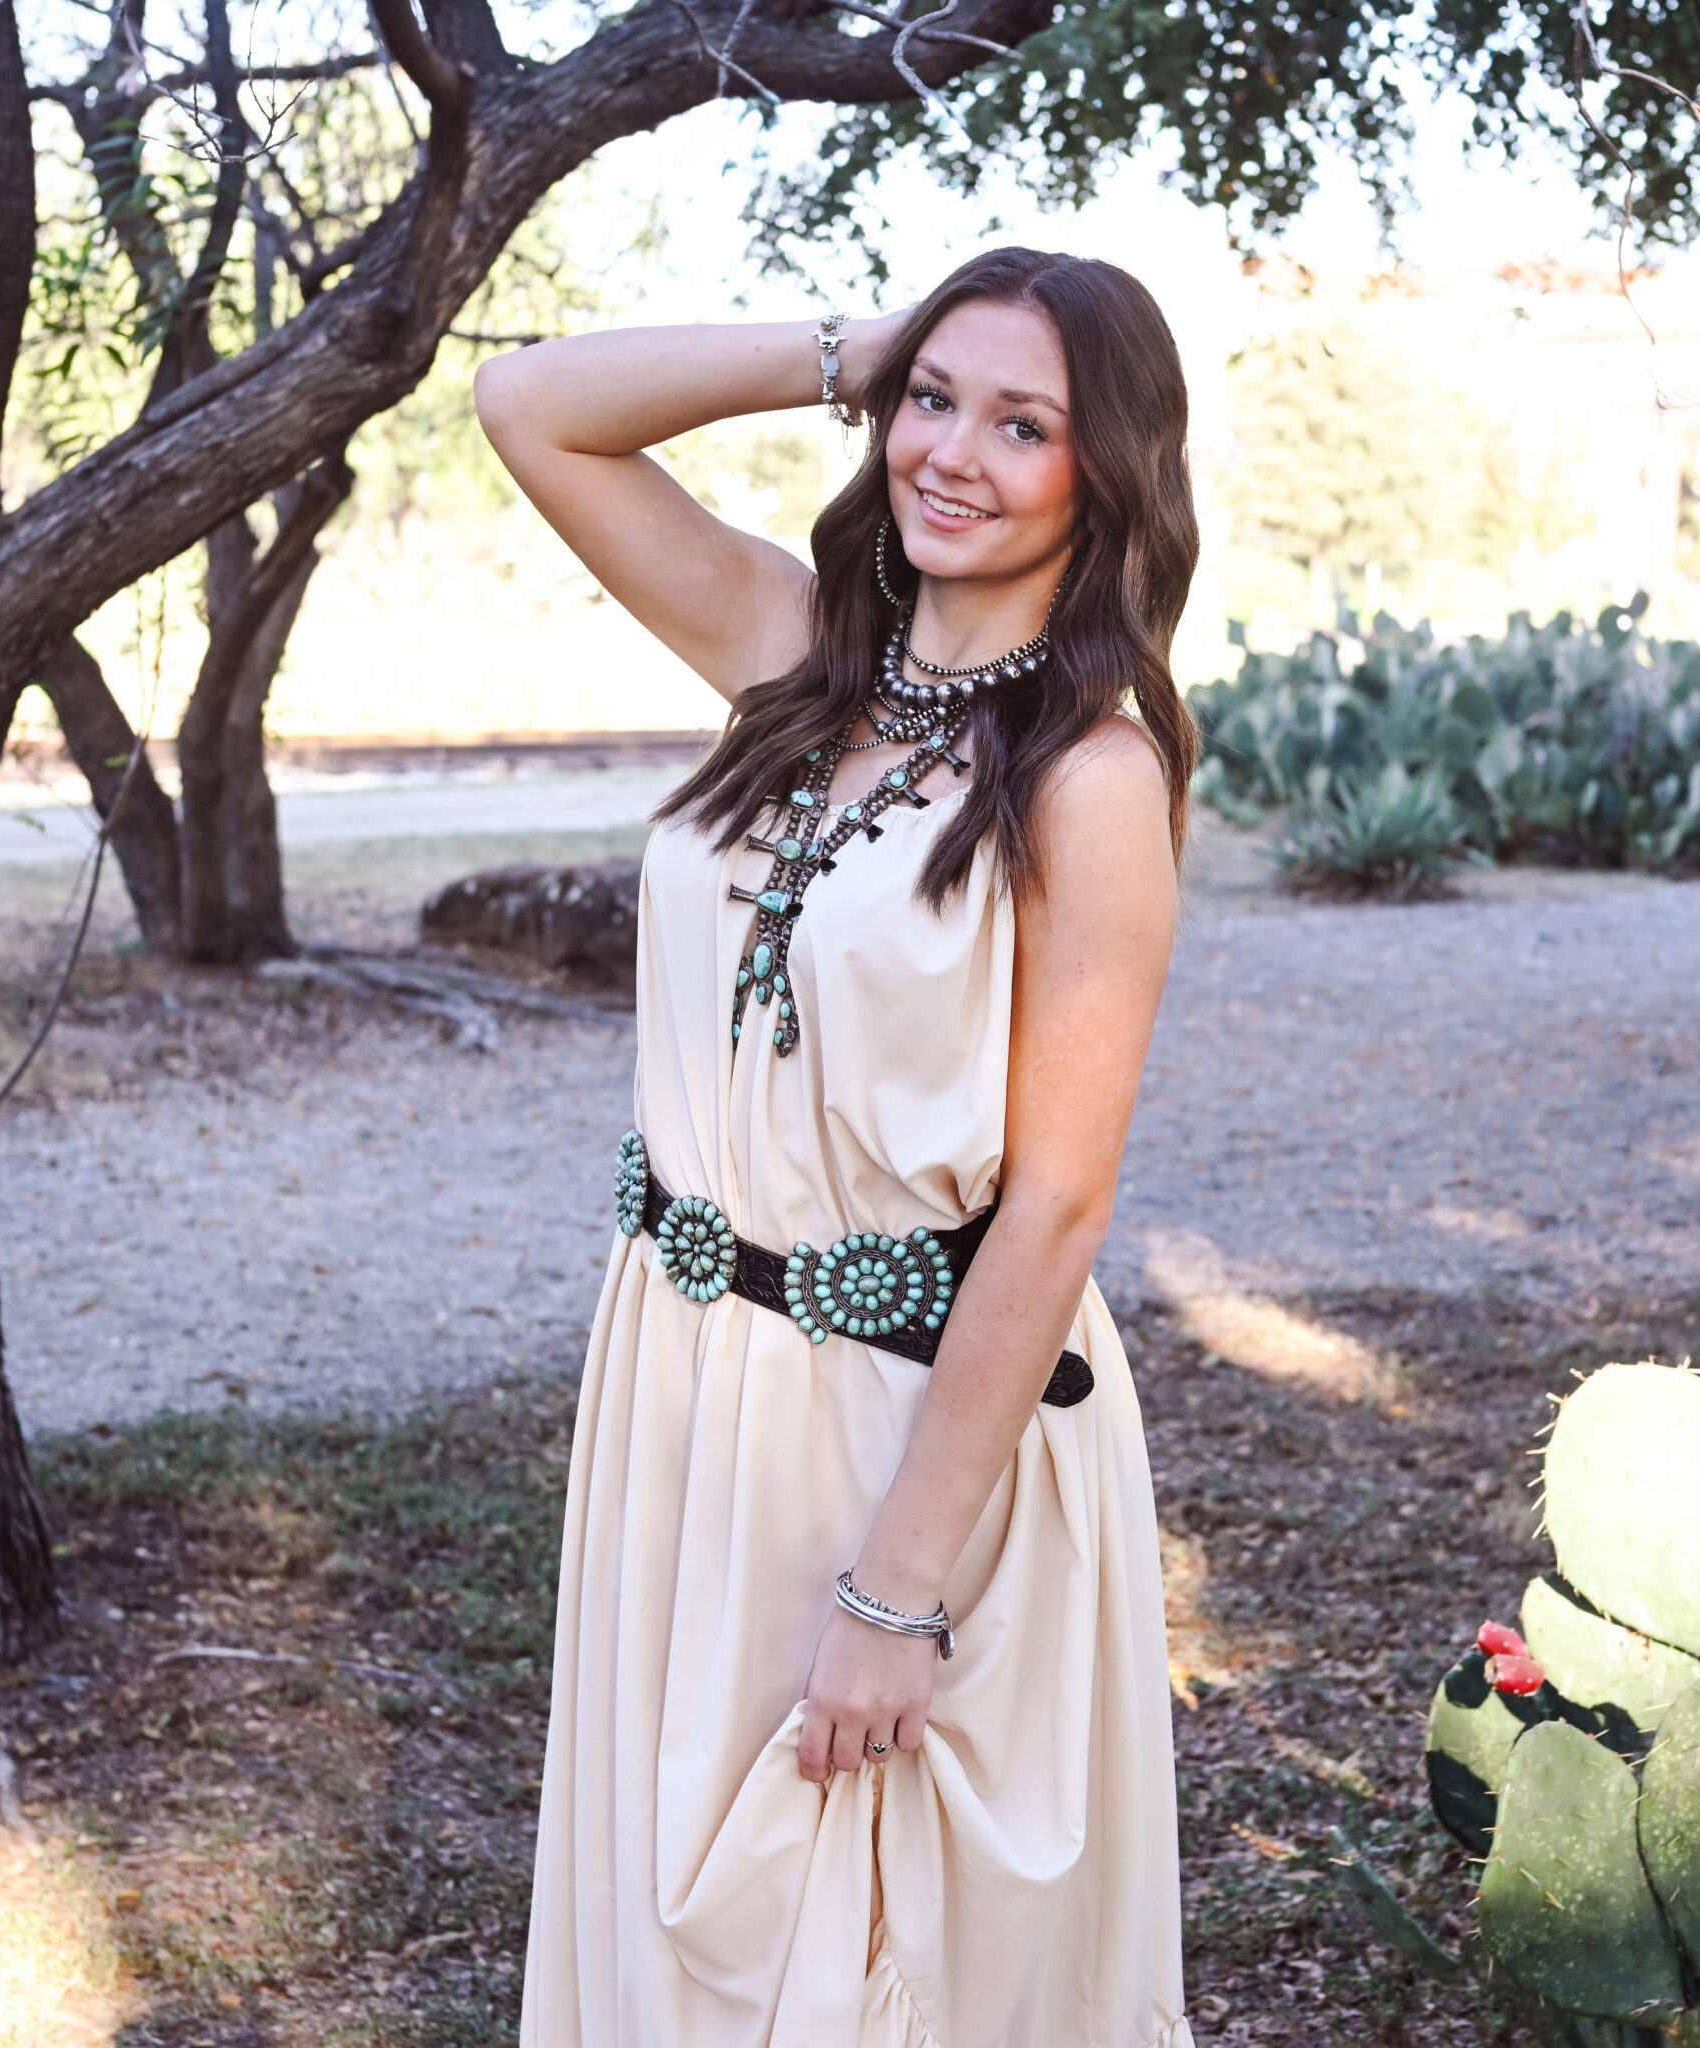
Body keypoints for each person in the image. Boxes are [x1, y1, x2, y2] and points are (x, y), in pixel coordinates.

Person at [474, 246, 1198, 2047]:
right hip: (680, 1388)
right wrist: (858, 350)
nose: (952, 451)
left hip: (904, 1433)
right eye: (933, 402)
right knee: (676, 1926)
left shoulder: (1090, 779)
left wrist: (898, 1592)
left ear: (1103, 477)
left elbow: (1058, 1209)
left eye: (1021, 424)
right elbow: (531, 407)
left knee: (862, 1950)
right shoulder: (797, 659)